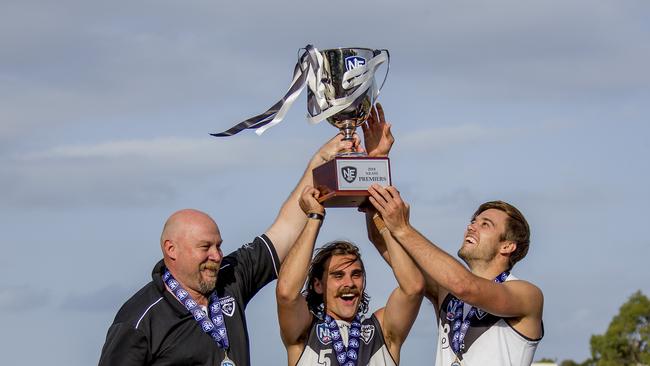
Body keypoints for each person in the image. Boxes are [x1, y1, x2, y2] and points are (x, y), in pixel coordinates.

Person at [98, 134, 361, 366]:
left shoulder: (229, 277)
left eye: (218, 245)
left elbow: (285, 230)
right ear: (171, 249)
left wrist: (320, 160)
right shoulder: (140, 319)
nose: (216, 255)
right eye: (205, 247)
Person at [367, 186, 544, 366]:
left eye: (485, 224)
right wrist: (372, 195)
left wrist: (403, 229)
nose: (471, 227)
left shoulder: (528, 295)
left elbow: (464, 286)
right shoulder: (445, 290)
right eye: (473, 221)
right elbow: (383, 241)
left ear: (507, 246)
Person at [276, 185, 424, 366]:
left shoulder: (382, 331)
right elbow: (286, 293)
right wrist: (314, 217)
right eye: (338, 276)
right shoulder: (305, 332)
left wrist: (384, 226)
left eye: (356, 274)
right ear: (318, 285)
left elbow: (413, 288)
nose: (349, 283)